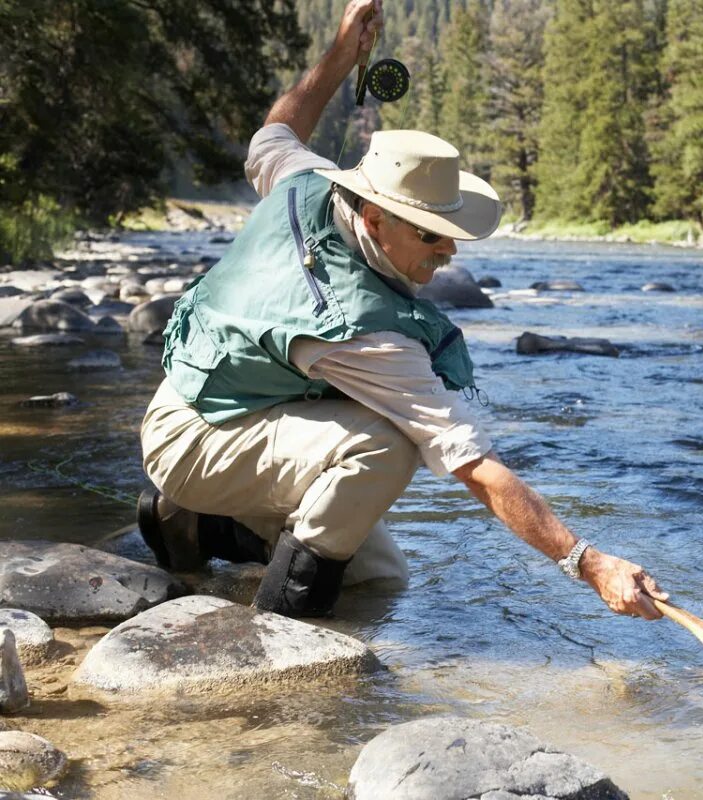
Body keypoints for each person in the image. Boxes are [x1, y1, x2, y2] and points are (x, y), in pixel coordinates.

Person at [136, 0, 668, 621]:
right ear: (373, 215)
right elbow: (474, 465)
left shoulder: (308, 180)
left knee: (378, 579)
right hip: (191, 436)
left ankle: (200, 529)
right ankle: (278, 630)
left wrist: (340, 54)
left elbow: (274, 133)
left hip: (234, 410)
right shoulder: (359, 328)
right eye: (429, 233)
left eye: (450, 232)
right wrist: (589, 561)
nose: (448, 251)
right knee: (387, 448)